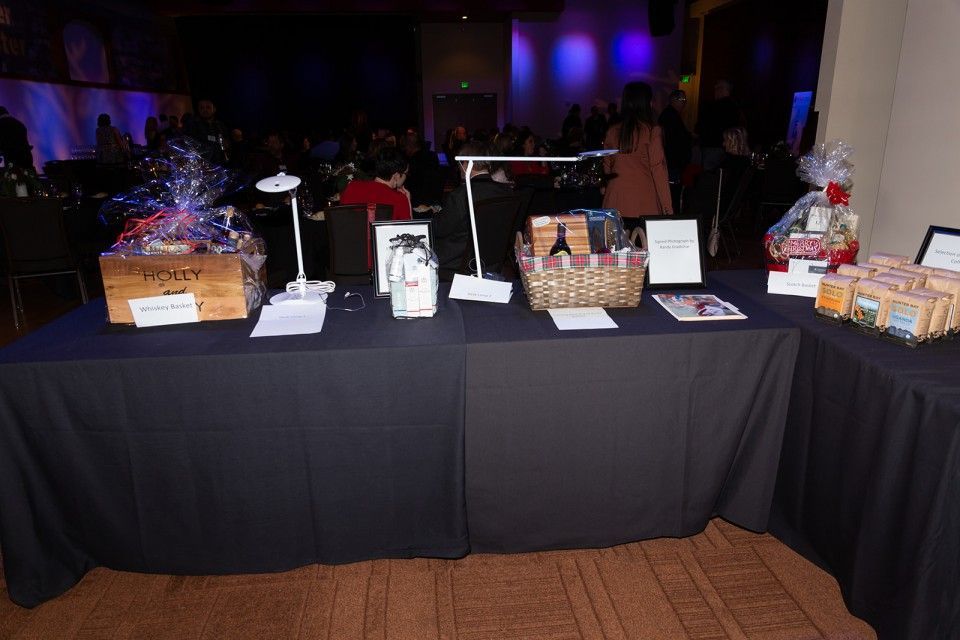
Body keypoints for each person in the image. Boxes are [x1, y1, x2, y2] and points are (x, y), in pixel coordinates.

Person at [432, 141, 513, 279]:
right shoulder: (506, 192)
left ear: (465, 164)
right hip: (492, 262)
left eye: (459, 164)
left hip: (457, 264)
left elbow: (439, 230)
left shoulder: (460, 195)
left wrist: (437, 215)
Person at [601, 81, 672, 223]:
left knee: (615, 245)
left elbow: (606, 167)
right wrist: (668, 209)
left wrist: (604, 189)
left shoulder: (612, 131)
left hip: (615, 200)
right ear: (647, 103)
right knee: (641, 244)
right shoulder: (652, 131)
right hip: (644, 202)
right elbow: (658, 170)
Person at [339, 145, 412, 221]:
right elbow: (409, 231)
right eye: (406, 174)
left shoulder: (352, 187)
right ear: (396, 176)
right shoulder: (399, 199)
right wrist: (408, 201)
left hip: (350, 232)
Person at [696, 79, 744, 170]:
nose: (715, 91)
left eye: (717, 88)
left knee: (709, 177)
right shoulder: (736, 108)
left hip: (713, 148)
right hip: (729, 150)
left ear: (723, 89)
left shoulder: (713, 107)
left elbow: (701, 127)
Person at [658, 89, 693, 212]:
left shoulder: (671, 115)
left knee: (674, 193)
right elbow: (673, 142)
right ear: (673, 100)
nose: (684, 103)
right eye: (682, 100)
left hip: (673, 163)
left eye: (685, 100)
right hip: (672, 163)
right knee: (672, 194)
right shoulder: (670, 116)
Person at [185, 98, 230, 163]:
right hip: (202, 163)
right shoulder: (192, 124)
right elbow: (190, 142)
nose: (205, 110)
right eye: (201, 108)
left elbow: (226, 141)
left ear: (214, 109)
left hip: (220, 162)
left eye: (208, 107)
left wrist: (226, 144)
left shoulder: (220, 125)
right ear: (198, 110)